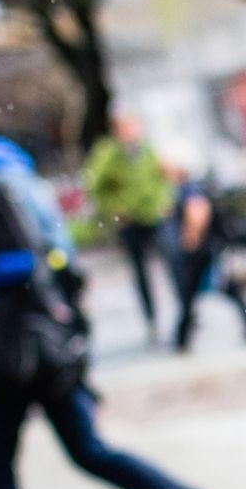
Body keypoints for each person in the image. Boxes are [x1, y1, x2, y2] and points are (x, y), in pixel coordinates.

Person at [0, 136, 240, 489]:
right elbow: (61, 260)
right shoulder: (19, 173)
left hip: (7, 348)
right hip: (48, 338)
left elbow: (20, 261)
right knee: (88, 450)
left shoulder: (0, 183)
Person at [161, 145, 246, 353]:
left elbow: (197, 214)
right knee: (219, 290)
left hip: (202, 252)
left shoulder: (189, 188)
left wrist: (189, 240)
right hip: (207, 249)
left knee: (195, 293)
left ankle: (182, 338)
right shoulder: (188, 186)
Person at [84, 113, 173, 339]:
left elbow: (162, 179)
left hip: (154, 216)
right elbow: (95, 188)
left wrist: (164, 201)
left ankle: (185, 312)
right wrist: (116, 209)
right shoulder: (108, 154)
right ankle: (151, 319)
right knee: (140, 271)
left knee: (174, 262)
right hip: (130, 221)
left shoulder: (146, 150)